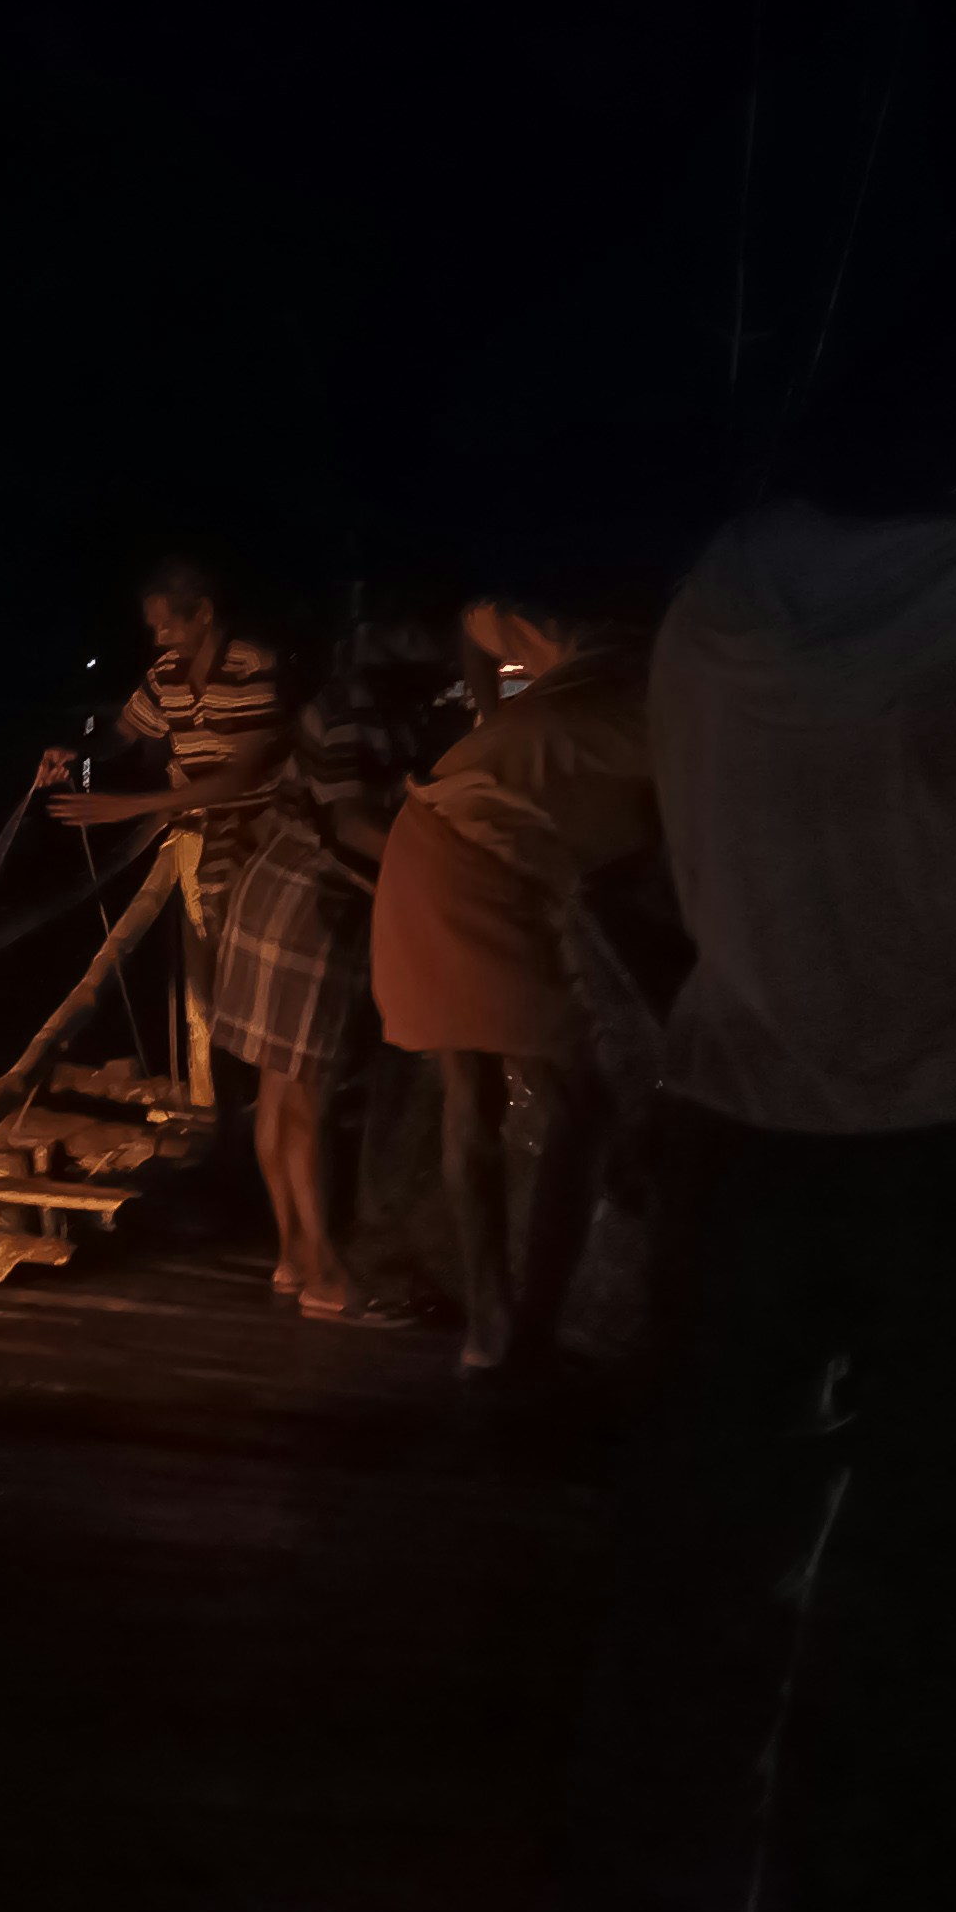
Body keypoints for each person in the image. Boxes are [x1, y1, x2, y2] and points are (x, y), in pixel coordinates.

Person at [542, 256, 956, 1912]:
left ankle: (659, 1858)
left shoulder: (708, 614)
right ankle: (904, 1881)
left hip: (742, 1133)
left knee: (710, 1522)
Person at [366, 587, 656, 1372]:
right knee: (523, 1093)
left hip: (500, 855)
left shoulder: (614, 652)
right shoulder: (634, 659)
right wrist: (489, 719)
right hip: (451, 847)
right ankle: (507, 1324)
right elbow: (472, 621)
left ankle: (523, 1319)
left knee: (568, 1095)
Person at [205, 604, 463, 1322]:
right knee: (304, 1096)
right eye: (423, 629)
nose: (437, 646)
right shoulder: (355, 708)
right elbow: (351, 821)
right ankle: (326, 1275)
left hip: (286, 894)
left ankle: (295, 1258)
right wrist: (445, 872)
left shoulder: (366, 704)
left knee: (284, 1089)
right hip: (310, 905)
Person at [39, 558, 295, 1109]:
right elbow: (125, 734)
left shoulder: (251, 666)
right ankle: (234, 1096)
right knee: (208, 970)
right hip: (202, 832)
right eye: (154, 627)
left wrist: (133, 806)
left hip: (263, 827)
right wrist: (77, 752)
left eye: (167, 625)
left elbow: (243, 774)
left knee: (245, 960)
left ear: (203, 614)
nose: (159, 638)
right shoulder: (166, 677)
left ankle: (262, 1090)